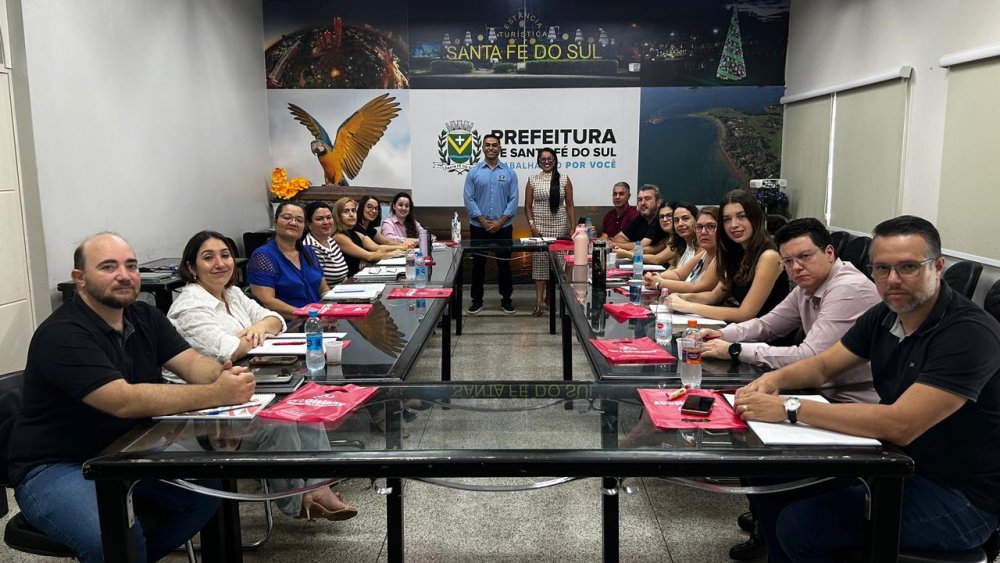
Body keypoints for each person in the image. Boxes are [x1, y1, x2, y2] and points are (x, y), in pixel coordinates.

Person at [734, 215, 1000, 562]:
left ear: (937, 267)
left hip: (959, 498)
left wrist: (790, 408)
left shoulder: (968, 333)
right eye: (882, 268)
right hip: (892, 463)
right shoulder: (886, 314)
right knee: (771, 471)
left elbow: (900, 424)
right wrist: (772, 381)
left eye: (908, 267)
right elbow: (824, 365)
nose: (893, 279)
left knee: (801, 527)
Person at [7, 232, 256, 562]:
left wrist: (223, 376)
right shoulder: (62, 334)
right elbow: (122, 400)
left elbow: (191, 362)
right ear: (79, 278)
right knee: (109, 537)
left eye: (131, 266)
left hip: (127, 450)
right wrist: (214, 394)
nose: (124, 275)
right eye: (108, 267)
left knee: (209, 489)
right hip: (58, 465)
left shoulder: (145, 316)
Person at [167, 231, 357, 522]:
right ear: (191, 267)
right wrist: (256, 333)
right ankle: (297, 500)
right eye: (208, 257)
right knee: (279, 423)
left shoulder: (231, 293)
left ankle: (319, 487)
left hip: (241, 386)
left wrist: (259, 328)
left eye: (225, 255)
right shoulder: (190, 306)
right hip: (202, 408)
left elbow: (275, 319)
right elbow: (229, 349)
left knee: (304, 404)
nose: (219, 263)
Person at [701, 218, 880, 403]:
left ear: (829, 253)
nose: (796, 267)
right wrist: (722, 334)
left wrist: (735, 349)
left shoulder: (847, 290)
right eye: (788, 261)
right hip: (819, 391)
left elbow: (808, 357)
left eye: (805, 256)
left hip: (851, 403)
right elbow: (767, 325)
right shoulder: (807, 285)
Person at [670, 189, 790, 323]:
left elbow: (745, 314)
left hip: (767, 333)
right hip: (744, 329)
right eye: (727, 219)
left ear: (755, 217)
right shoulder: (735, 252)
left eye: (741, 216)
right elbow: (714, 296)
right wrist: (681, 297)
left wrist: (687, 306)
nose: (733, 225)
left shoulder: (769, 257)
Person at [463, 133, 518, 315]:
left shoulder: (509, 173)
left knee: (504, 265)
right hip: (479, 228)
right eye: (487, 145)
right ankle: (477, 301)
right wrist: (482, 221)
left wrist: (500, 222)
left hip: (504, 228)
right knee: (478, 265)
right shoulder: (474, 172)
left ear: (500, 148)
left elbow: (513, 199)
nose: (491, 148)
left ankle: (506, 300)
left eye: (494, 145)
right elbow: (468, 198)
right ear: (483, 148)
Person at [248, 202, 330, 316]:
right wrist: (305, 313)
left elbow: (323, 289)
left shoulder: (309, 252)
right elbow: (266, 302)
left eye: (299, 220)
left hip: (318, 317)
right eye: (287, 218)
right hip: (290, 321)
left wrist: (332, 307)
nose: (293, 223)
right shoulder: (263, 256)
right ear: (275, 221)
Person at [525, 147, 576, 316]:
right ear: (538, 162)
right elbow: (527, 206)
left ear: (555, 161)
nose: (546, 162)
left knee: (558, 266)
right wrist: (532, 226)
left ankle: (551, 300)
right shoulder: (532, 180)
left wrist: (572, 226)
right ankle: (539, 302)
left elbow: (570, 204)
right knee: (540, 265)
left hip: (559, 227)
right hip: (539, 228)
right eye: (543, 159)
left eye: (550, 159)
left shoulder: (564, 179)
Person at [645, 206, 721, 294]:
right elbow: (678, 274)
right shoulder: (705, 253)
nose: (703, 232)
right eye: (699, 227)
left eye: (711, 226)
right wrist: (653, 277)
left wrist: (659, 283)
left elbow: (698, 288)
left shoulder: (721, 256)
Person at [331, 196, 404, 277]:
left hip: (361, 275)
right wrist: (392, 254)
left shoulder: (356, 233)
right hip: (350, 280)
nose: (351, 214)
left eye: (353, 210)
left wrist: (369, 257)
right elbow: (369, 256)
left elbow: (379, 248)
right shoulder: (338, 236)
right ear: (338, 215)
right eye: (346, 211)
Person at [303, 202, 349, 287]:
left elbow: (343, 275)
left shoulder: (330, 240)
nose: (326, 222)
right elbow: (320, 287)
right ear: (309, 224)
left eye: (329, 217)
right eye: (319, 219)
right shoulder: (309, 247)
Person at [610, 184, 668, 252]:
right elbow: (618, 238)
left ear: (658, 202)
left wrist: (613, 245)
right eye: (640, 199)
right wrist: (634, 245)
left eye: (647, 199)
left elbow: (642, 246)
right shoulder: (641, 217)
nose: (642, 203)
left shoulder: (661, 218)